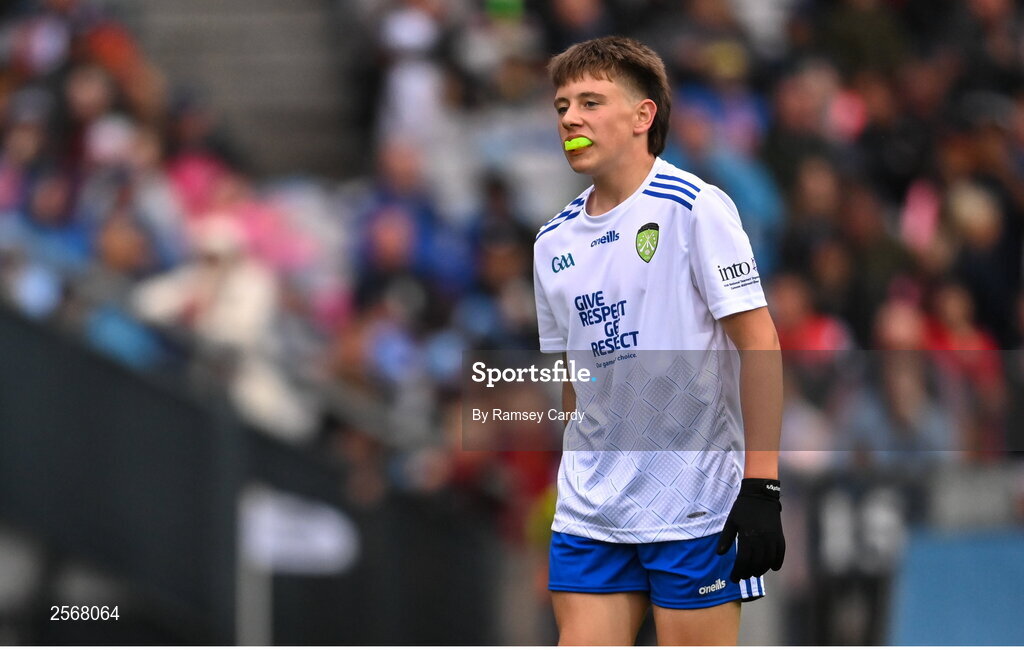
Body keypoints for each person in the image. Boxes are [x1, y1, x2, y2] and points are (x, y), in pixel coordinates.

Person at [533, 36, 785, 645]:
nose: (570, 117)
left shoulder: (697, 209)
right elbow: (572, 375)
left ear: (644, 115)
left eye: (591, 101)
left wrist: (762, 483)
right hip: (591, 510)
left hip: (694, 503)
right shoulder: (551, 242)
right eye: (563, 104)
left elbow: (759, 342)